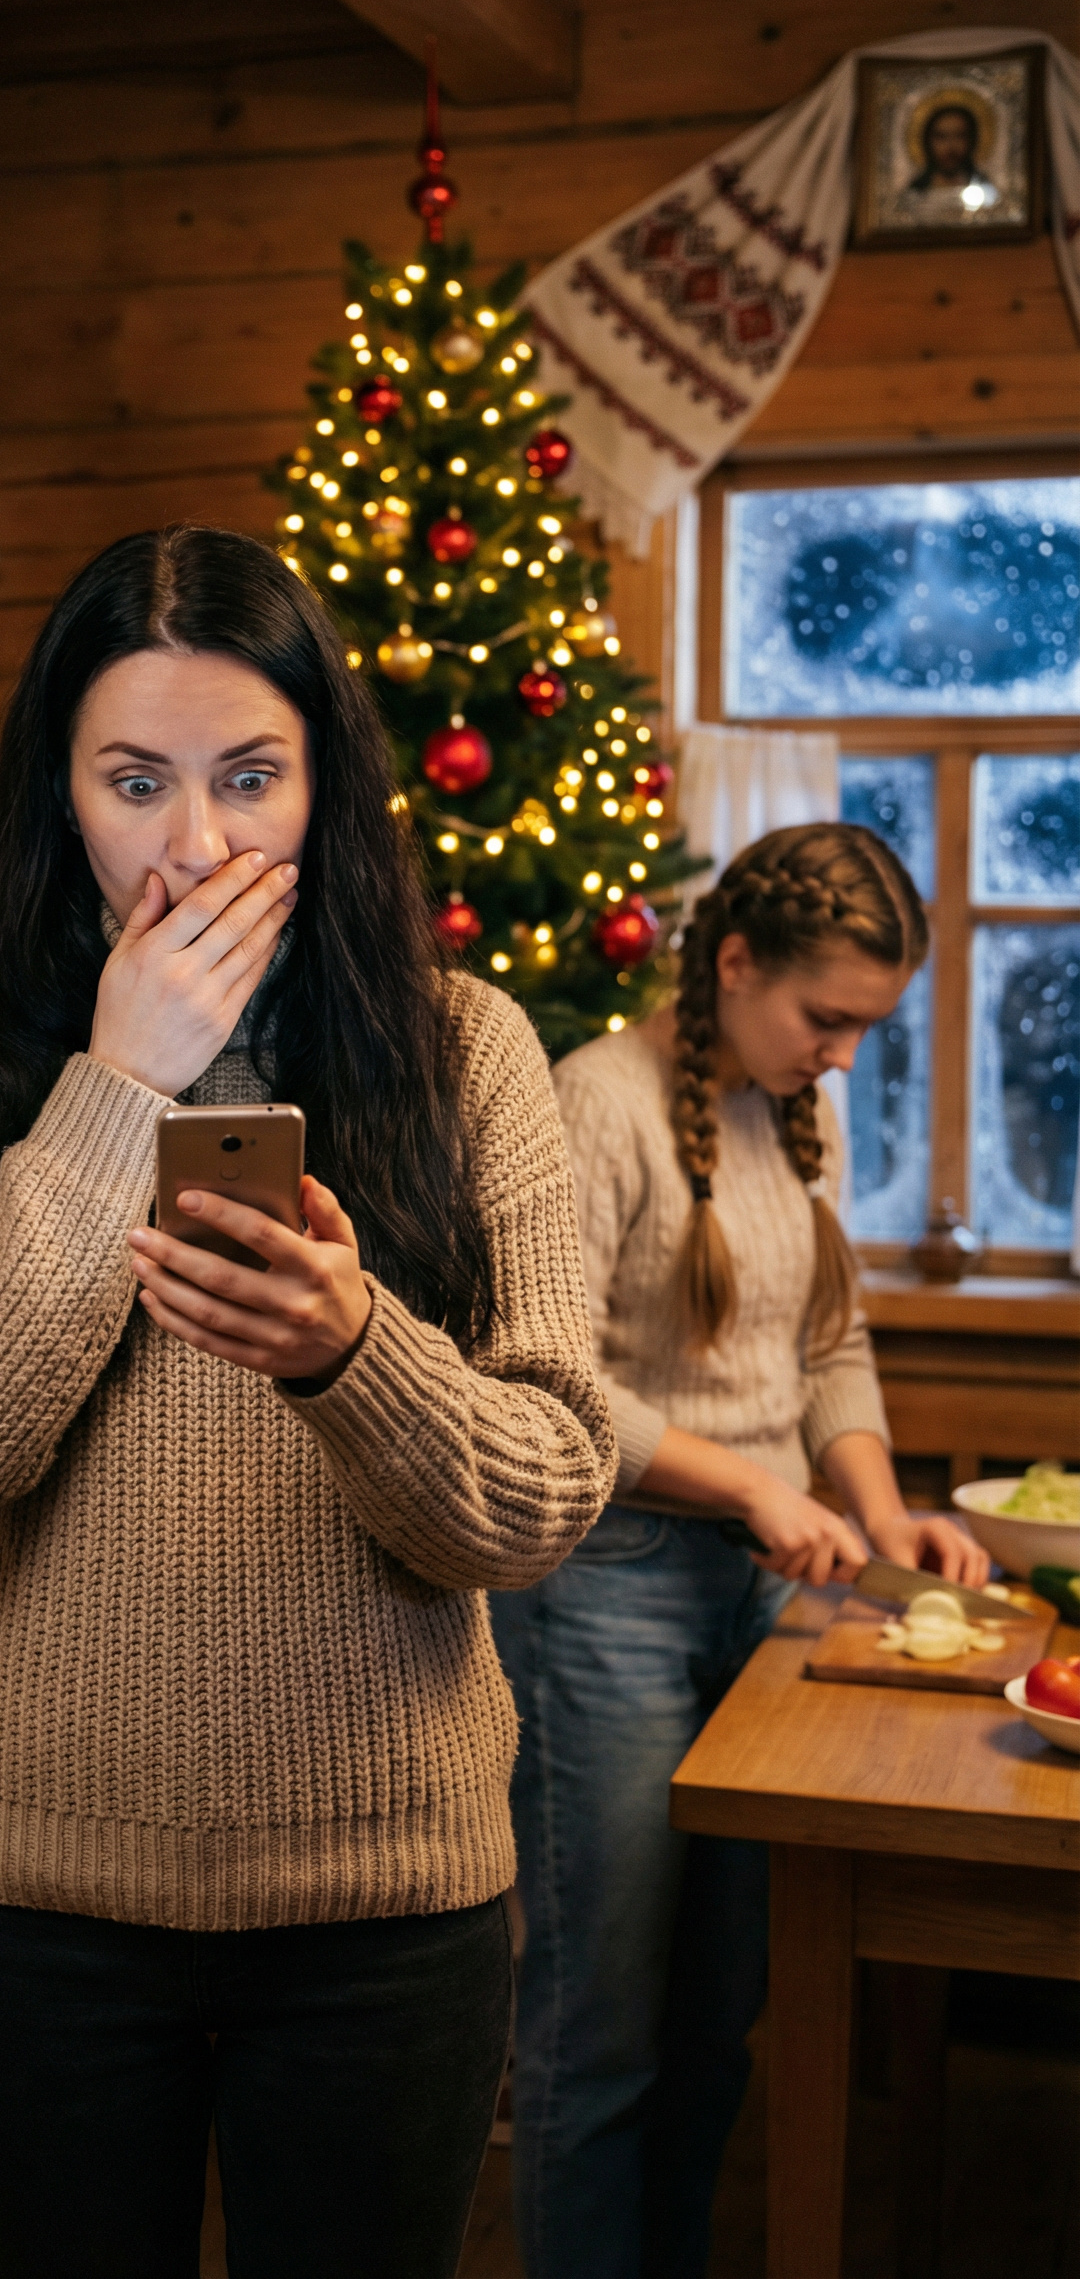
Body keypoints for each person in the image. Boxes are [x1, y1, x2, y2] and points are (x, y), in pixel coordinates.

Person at [0, 526, 616, 2279]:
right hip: (25, 1905)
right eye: (134, 781)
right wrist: (119, 1086)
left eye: (250, 777)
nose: (196, 846)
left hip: (379, 1910)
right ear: (60, 794)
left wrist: (352, 1353)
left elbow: (542, 1498)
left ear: (326, 785)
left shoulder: (464, 1048)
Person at [491, 823, 991, 2279]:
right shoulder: (597, 1102)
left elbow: (828, 1347)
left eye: (863, 1029)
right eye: (825, 1018)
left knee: (718, 2022)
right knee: (601, 2039)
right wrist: (748, 1491)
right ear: (731, 965)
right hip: (612, 1595)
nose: (839, 1054)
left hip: (770, 1604)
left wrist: (881, 1510)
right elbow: (550, 1383)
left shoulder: (787, 1114)